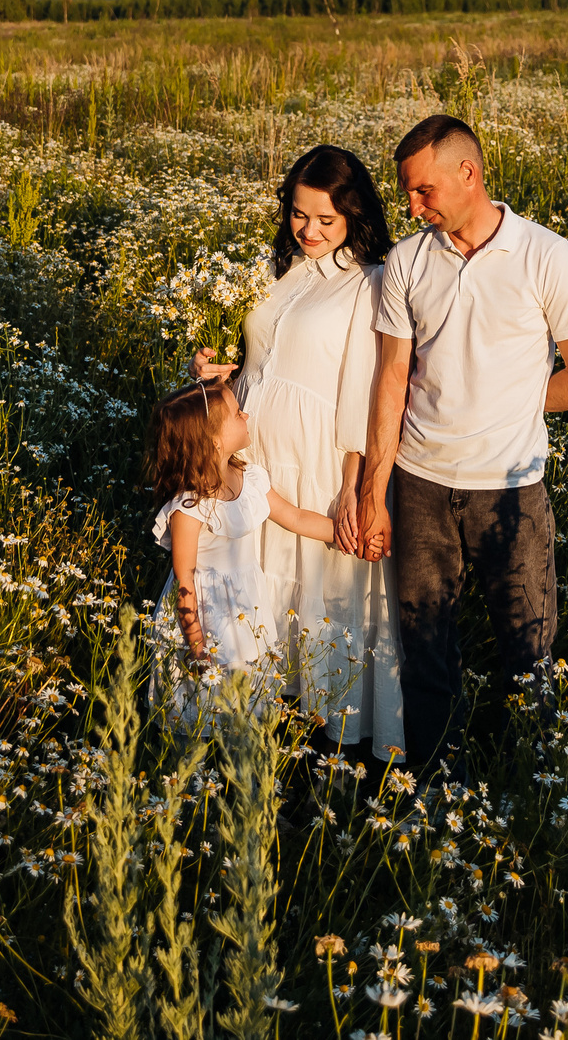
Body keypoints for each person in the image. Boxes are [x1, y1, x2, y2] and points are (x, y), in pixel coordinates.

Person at [352, 114, 568, 777]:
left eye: (423, 190)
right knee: (426, 656)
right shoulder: (408, 262)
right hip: (419, 485)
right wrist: (372, 493)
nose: (411, 206)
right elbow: (391, 381)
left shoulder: (546, 255)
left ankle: (537, 792)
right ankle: (436, 791)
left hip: (511, 492)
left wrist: (510, 399)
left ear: (469, 173)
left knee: (528, 654)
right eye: (407, 193)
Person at [192, 144, 403, 756]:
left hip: (317, 464)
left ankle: (334, 745)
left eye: (325, 220)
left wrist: (352, 486)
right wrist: (223, 375)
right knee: (262, 591)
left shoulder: (370, 283)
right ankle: (264, 722)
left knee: (320, 589)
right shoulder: (288, 270)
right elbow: (268, 359)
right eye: (298, 214)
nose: (308, 231)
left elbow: (367, 389)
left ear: (354, 215)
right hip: (256, 458)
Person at [144, 377, 341, 699]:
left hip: (246, 602)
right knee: (203, 698)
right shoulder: (190, 507)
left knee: (246, 688)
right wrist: (195, 644)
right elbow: (185, 580)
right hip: (206, 614)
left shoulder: (250, 477)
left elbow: (295, 517)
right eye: (237, 413)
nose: (246, 415)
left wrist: (348, 535)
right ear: (214, 441)